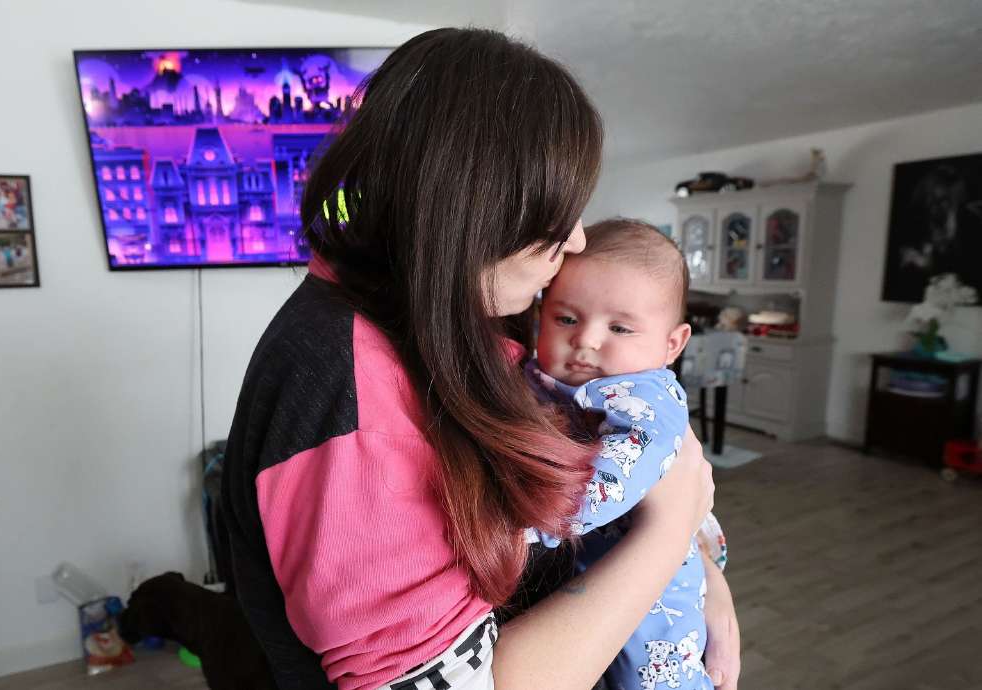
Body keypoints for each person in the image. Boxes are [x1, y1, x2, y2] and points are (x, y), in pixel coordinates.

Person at [221, 28, 740, 690]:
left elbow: (633, 428)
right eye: (556, 214)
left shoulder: (480, 315)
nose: (576, 238)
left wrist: (702, 583)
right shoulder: (343, 390)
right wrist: (667, 531)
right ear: (473, 209)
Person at [525, 218, 722, 690]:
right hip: (588, 580)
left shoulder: (647, 396)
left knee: (651, 676)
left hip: (655, 590)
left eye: (619, 327)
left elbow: (620, 471)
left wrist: (532, 521)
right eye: (566, 319)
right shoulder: (541, 378)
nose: (587, 340)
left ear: (672, 344)